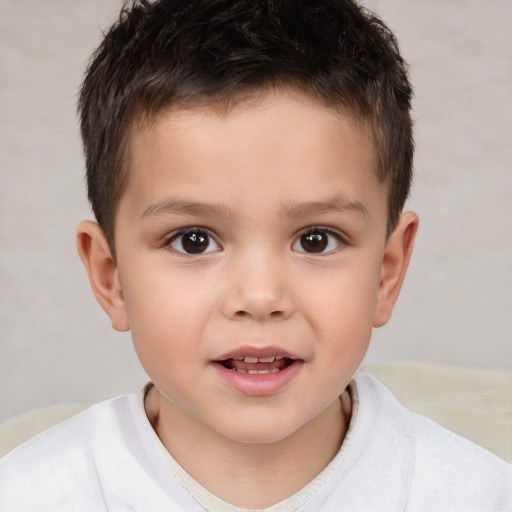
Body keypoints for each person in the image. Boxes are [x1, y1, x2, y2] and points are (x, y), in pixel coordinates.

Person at [0, 0, 510, 510]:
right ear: (111, 279)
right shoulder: (33, 494)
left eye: (316, 239)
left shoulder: (471, 494)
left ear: (386, 273)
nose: (260, 296)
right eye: (193, 240)